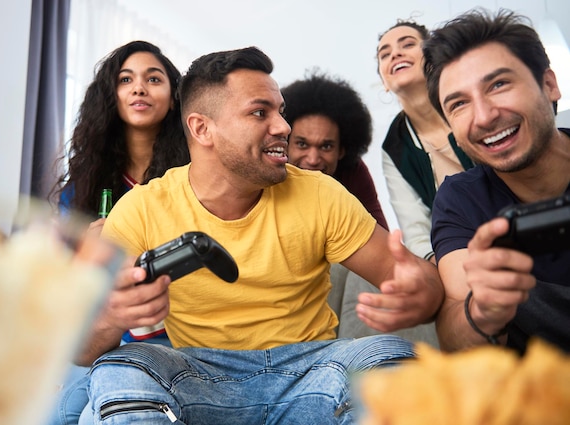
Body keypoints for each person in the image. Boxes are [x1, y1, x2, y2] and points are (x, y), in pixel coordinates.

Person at [79, 46, 444, 424]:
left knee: (390, 354)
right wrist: (110, 316)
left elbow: (421, 283)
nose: (284, 127)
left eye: (280, 111)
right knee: (122, 365)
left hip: (312, 369)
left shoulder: (321, 193)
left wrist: (424, 292)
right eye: (260, 113)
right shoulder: (141, 208)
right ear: (202, 128)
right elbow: (80, 347)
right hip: (199, 375)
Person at [47, 40, 189, 425]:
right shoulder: (84, 185)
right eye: (126, 80)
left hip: (177, 338)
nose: (139, 88)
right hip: (101, 338)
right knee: (54, 414)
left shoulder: (196, 178)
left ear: (175, 98)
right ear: (111, 96)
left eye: (153, 79)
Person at [422, 8, 570, 354]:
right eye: (459, 104)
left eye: (499, 84)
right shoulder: (459, 201)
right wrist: (484, 310)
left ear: (549, 84)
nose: (485, 117)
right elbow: (455, 336)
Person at [377, 19, 475, 262]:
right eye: (384, 54)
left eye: (408, 44)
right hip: (460, 256)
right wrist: (439, 268)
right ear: (384, 83)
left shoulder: (473, 105)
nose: (395, 53)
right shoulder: (394, 147)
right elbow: (416, 234)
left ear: (433, 59)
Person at [281, 71, 389, 229]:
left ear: (342, 150)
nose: (313, 159)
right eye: (302, 144)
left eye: (326, 146)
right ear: (285, 144)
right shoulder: (268, 175)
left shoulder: (353, 173)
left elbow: (382, 240)